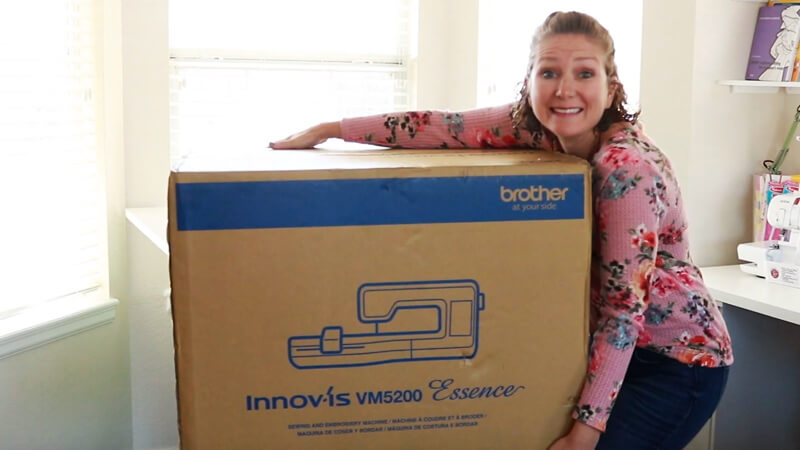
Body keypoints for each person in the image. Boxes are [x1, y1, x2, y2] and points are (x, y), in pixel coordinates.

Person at [271, 11, 733, 450]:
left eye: (584, 73)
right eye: (549, 72)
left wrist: (584, 433)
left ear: (611, 89)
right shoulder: (538, 130)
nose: (564, 89)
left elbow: (624, 313)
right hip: (604, 352)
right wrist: (331, 128)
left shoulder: (626, 172)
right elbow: (440, 127)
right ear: (529, 82)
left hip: (674, 363)